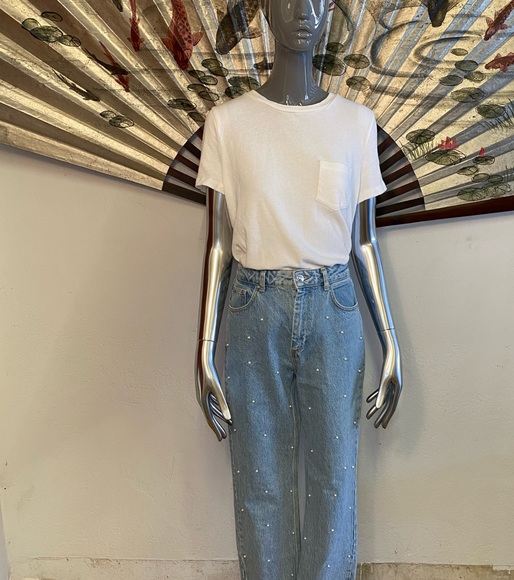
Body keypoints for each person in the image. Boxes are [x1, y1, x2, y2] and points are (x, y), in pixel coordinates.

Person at [194, 1, 402, 578]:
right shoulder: (228, 123)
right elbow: (217, 244)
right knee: (260, 477)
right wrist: (203, 348)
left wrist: (391, 343)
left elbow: (364, 242)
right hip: (252, 305)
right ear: (265, 11)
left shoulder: (355, 124)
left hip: (334, 305)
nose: (304, 11)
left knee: (334, 477)